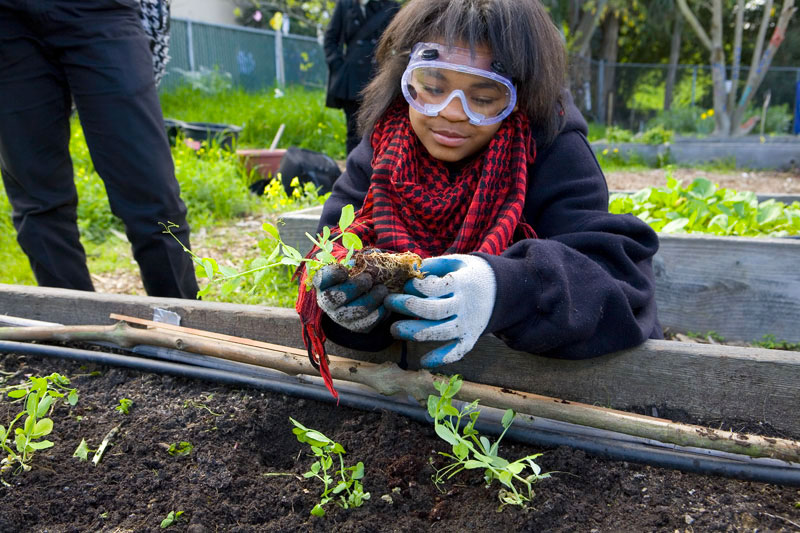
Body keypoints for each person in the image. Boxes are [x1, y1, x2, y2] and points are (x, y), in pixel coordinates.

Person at [298, 0, 661, 375]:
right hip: (405, 392)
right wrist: (351, 309)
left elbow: (617, 282)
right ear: (405, 77)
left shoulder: (553, 147)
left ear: (521, 95)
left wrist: (503, 289)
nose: (452, 112)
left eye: (484, 98)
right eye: (433, 86)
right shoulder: (383, 143)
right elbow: (329, 249)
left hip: (522, 391)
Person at [0, 0, 199, 299]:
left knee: (150, 191)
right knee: (37, 198)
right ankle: (74, 332)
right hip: (7, 21)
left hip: (102, 11)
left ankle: (182, 326)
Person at [324, 0, 399, 155]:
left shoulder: (390, 7)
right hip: (351, 79)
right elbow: (330, 39)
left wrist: (391, 70)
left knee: (378, 129)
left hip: (378, 77)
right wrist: (338, 66)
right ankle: (353, 173)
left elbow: (400, 42)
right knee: (353, 131)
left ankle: (376, 172)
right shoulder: (345, 5)